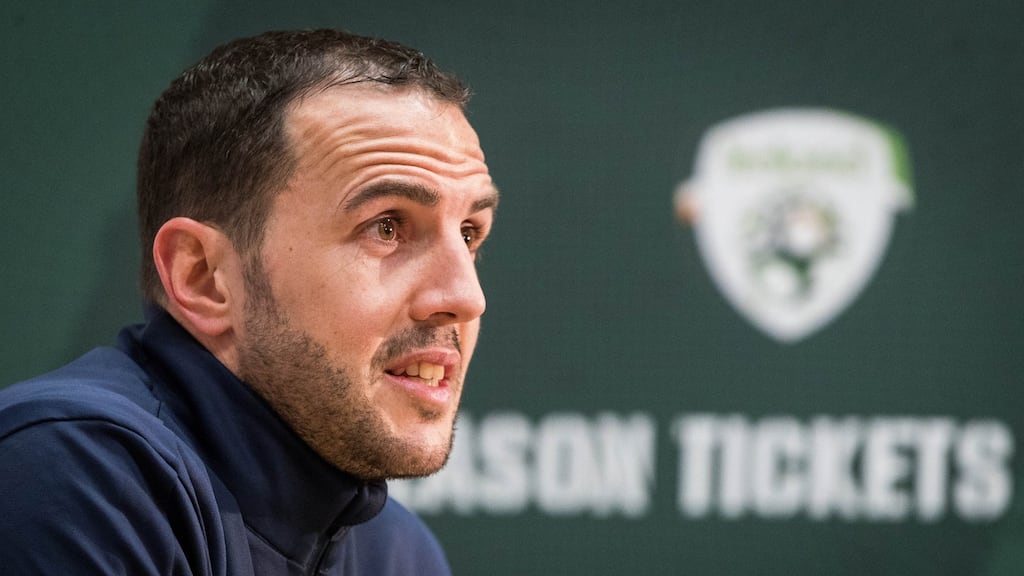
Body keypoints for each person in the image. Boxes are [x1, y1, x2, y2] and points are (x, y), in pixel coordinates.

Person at [0, 28, 499, 575]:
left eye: (470, 233)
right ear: (205, 277)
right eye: (385, 227)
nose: (464, 297)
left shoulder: (399, 554)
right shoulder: (73, 474)